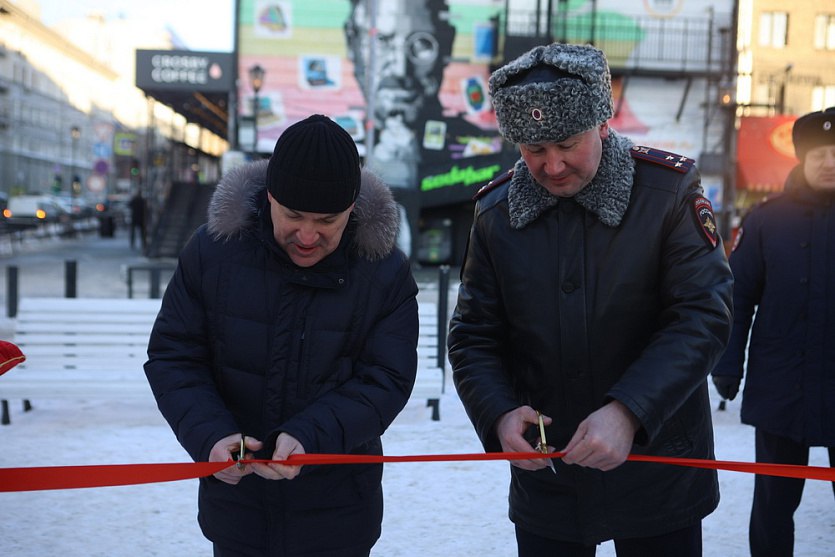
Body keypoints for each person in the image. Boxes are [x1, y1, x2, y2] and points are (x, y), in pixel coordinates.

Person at [447, 43, 734, 556]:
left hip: (658, 467)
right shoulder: (495, 215)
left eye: (565, 143)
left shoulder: (668, 192)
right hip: (550, 482)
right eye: (533, 149)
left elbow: (702, 316)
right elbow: (474, 337)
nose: (552, 166)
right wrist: (499, 413)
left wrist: (629, 412)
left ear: (602, 123)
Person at [144, 114, 419, 556]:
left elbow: (387, 378)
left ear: (351, 208)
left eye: (327, 220)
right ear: (270, 197)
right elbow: (174, 357)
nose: (307, 235)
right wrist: (211, 436)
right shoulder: (213, 251)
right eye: (292, 215)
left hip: (339, 515)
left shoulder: (384, 271)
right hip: (237, 511)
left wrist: (313, 435)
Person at [710, 106, 835, 557]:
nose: (829, 161)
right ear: (802, 158)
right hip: (783, 384)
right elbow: (737, 297)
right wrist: (728, 363)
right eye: (820, 153)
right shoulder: (767, 219)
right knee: (774, 503)